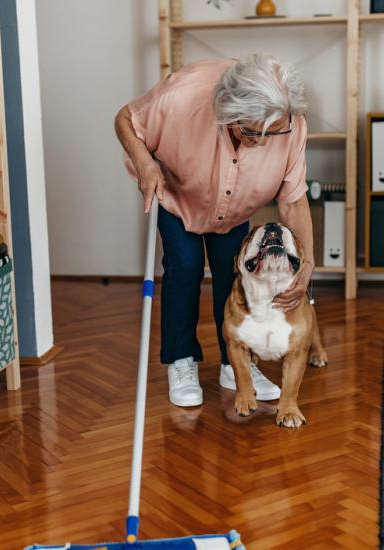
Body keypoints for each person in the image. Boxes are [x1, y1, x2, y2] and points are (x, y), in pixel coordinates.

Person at [115, 54, 314, 408]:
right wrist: (145, 163)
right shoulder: (182, 96)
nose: (265, 141)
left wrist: (308, 265)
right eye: (253, 131)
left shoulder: (291, 124)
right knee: (185, 266)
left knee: (234, 273)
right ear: (229, 114)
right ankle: (182, 361)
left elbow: (294, 203)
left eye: (275, 131)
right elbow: (126, 119)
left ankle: (234, 364)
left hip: (236, 207)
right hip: (177, 194)